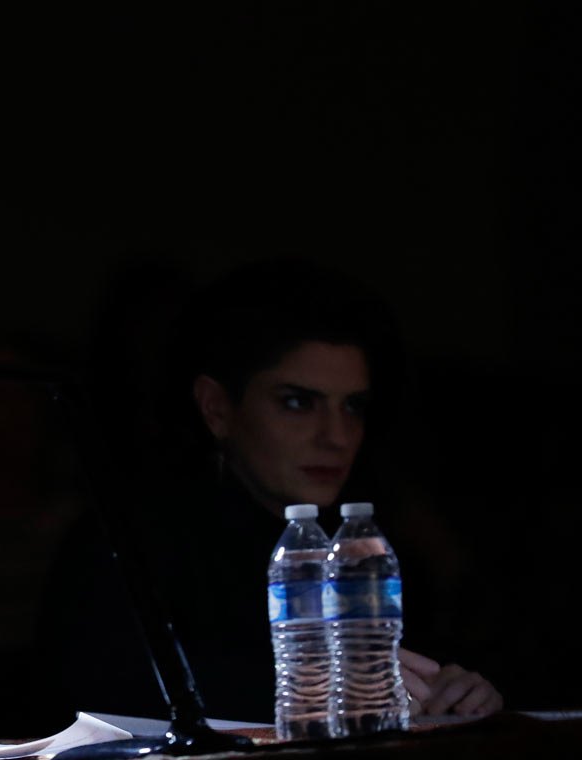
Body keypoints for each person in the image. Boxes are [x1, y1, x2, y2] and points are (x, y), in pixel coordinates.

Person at [39, 257, 503, 724]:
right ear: (217, 408)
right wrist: (322, 686)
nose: (336, 435)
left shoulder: (375, 545)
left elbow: (421, 673)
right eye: (298, 403)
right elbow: (103, 690)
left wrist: (455, 692)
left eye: (354, 407)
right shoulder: (127, 539)